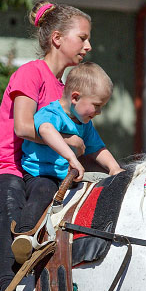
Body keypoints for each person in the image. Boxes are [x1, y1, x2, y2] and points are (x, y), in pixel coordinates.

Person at [0, 0, 93, 291]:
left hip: (40, 173)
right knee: (14, 213)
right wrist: (70, 141)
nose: (88, 45)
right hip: (6, 168)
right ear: (57, 38)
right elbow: (23, 127)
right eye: (82, 37)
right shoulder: (30, 73)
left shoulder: (65, 90)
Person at [11, 62, 124, 263]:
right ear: (75, 97)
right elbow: (46, 130)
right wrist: (72, 157)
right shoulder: (52, 113)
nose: (99, 112)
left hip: (65, 176)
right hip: (40, 173)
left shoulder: (84, 123)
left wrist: (114, 168)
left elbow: (97, 148)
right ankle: (24, 235)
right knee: (42, 192)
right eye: (97, 106)